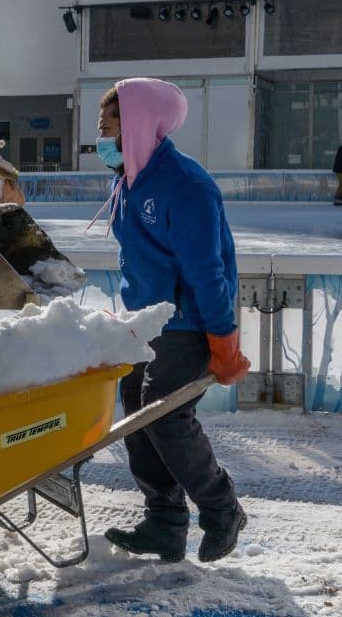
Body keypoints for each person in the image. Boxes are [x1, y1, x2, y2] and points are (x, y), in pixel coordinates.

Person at [93, 78, 250, 563]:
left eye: (109, 125)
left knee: (162, 412)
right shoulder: (129, 179)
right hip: (145, 323)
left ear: (138, 124)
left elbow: (209, 271)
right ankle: (164, 522)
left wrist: (223, 340)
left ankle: (223, 509)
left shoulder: (186, 186)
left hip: (190, 323)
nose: (100, 137)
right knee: (136, 417)